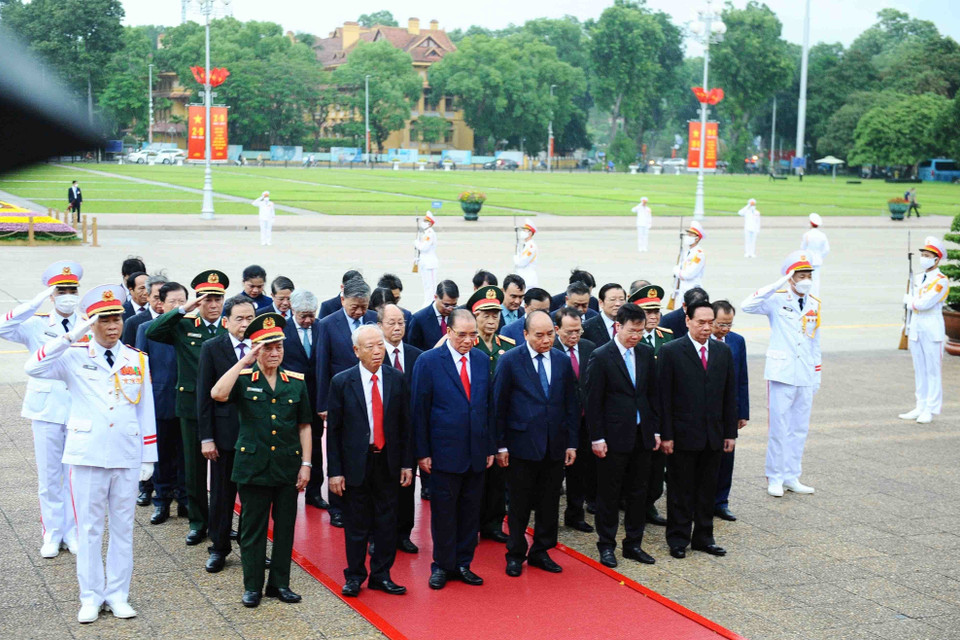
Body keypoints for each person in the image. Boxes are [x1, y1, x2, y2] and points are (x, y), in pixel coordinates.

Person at [26, 284, 157, 624]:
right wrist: (71, 336)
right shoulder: (73, 355)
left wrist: (148, 455)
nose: (113, 327)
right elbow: (33, 367)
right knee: (88, 530)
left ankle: (118, 594)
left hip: (126, 454)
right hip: (86, 455)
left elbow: (145, 410)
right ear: (91, 322)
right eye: (104, 320)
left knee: (123, 530)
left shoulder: (136, 358)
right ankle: (90, 596)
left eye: (117, 320)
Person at [210, 313, 313, 608]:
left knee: (285, 528)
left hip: (286, 465)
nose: (275, 353)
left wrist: (306, 464)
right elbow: (217, 393)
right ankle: (253, 585)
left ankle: (279, 584)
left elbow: (304, 426)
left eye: (279, 347)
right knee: (252, 529)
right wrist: (244, 362)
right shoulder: (244, 379)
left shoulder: (295, 382)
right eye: (268, 347)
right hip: (253, 467)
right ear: (256, 350)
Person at [0, 260, 83, 559]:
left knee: (74, 475)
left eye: (72, 290)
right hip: (46, 407)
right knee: (49, 476)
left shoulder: (87, 322)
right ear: (51, 294)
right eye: (61, 290)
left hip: (79, 408)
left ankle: (72, 531)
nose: (67, 296)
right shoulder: (36, 323)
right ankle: (52, 531)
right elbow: (3, 327)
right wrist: (33, 303)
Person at [327, 325, 413, 598]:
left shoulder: (396, 379)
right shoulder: (342, 382)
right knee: (356, 524)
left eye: (380, 345)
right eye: (370, 347)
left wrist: (407, 464)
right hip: (356, 463)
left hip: (388, 461)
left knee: (387, 522)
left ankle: (381, 575)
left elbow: (405, 426)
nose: (377, 351)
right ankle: (354, 576)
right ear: (356, 351)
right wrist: (335, 472)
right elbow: (334, 432)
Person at [412, 308, 495, 590]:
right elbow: (419, 410)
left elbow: (488, 407)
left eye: (473, 335)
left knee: (471, 512)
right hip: (443, 452)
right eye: (462, 335)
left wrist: (490, 446)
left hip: (476, 451)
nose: (468, 341)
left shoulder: (481, 360)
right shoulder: (429, 361)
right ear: (448, 332)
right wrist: (422, 452)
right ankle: (442, 565)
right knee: (444, 513)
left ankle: (463, 563)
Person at [146, 270, 230, 546]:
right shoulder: (184, 325)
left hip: (223, 407)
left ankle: (221, 522)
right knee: (194, 470)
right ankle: (198, 522)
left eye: (218, 299)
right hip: (192, 406)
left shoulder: (228, 327)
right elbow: (153, 331)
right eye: (207, 299)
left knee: (224, 471)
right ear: (198, 301)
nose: (213, 305)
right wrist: (183, 309)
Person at [494, 310, 578, 577]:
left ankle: (541, 550)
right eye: (539, 335)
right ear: (525, 334)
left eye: (550, 334)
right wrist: (500, 445)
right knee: (519, 505)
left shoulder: (561, 360)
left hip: (554, 444)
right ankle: (515, 553)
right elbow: (499, 405)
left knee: (549, 503)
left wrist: (571, 443)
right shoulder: (510, 360)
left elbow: (571, 403)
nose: (546, 340)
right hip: (521, 445)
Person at [658, 300, 737, 559]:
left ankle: (704, 537)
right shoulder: (671, 351)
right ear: (687, 321)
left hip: (713, 435)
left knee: (707, 489)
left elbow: (729, 395)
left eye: (710, 323)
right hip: (682, 435)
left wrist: (730, 433)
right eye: (700, 322)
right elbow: (664, 398)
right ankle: (678, 538)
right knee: (680, 490)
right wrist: (666, 435)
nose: (706, 328)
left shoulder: (722, 351)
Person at [584, 303, 660, 567]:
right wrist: (597, 438)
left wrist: (655, 430)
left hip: (641, 435)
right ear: (618, 326)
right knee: (609, 494)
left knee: (639, 492)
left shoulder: (646, 353)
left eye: (640, 331)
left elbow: (652, 395)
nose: (636, 336)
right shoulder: (601, 356)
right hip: (613, 437)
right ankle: (606, 545)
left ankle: (633, 544)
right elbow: (593, 401)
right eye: (631, 331)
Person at [742, 250, 821, 497]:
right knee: (779, 429)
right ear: (791, 277)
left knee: (799, 428)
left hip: (805, 372)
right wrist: (778, 283)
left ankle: (791, 476)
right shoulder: (776, 299)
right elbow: (747, 305)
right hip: (781, 372)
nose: (806, 279)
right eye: (801, 275)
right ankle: (775, 476)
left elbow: (815, 341)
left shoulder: (815, 304)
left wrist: (817, 374)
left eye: (809, 275)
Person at [197, 295, 256, 573]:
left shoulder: (263, 345)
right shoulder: (212, 347)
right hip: (224, 434)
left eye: (250, 318)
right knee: (222, 496)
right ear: (226, 321)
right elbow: (203, 395)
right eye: (239, 319)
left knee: (253, 498)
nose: (245, 324)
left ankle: (251, 549)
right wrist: (206, 437)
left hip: (256, 434)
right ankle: (219, 548)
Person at [315, 278, 377, 527]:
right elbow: (322, 364)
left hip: (370, 396)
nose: (360, 311)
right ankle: (337, 507)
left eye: (364, 306)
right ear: (343, 300)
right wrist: (322, 403)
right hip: (340, 397)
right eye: (354, 307)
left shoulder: (374, 320)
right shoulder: (328, 324)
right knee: (338, 449)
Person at [136, 282, 189, 526]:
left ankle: (186, 500)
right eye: (173, 302)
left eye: (182, 301)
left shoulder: (191, 327)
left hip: (187, 402)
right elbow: (140, 365)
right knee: (162, 455)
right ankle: (162, 501)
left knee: (186, 456)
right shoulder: (147, 328)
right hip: (160, 400)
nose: (178, 306)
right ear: (161, 304)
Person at [466, 286, 516, 543]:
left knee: (498, 476)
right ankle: (471, 524)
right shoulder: (469, 346)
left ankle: (493, 523)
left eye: (495, 315)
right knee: (476, 476)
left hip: (501, 420)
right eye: (485, 315)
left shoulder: (508, 346)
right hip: (476, 420)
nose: (491, 320)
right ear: (475, 317)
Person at [377, 303, 423, 553]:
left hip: (409, 432)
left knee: (407, 484)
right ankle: (378, 536)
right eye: (391, 323)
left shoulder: (417, 356)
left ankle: (404, 533)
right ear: (380, 325)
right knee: (381, 487)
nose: (397, 327)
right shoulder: (374, 354)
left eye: (401, 323)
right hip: (381, 433)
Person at [627, 285, 672, 526]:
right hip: (637, 413)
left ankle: (649, 503)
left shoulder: (668, 337)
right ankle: (631, 504)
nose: (653, 316)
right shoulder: (630, 340)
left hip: (661, 411)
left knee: (657, 467)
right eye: (648, 312)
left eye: (656, 311)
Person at [282, 290, 327, 510]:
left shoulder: (322, 328)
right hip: (289, 398)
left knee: (315, 445)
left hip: (315, 398)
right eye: (303, 316)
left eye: (312, 315)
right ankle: (287, 490)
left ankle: (314, 492)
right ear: (293, 310)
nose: (308, 320)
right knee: (288, 445)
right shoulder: (282, 329)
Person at [554, 306, 597, 532]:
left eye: (578, 331)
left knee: (579, 470)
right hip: (557, 422)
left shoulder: (589, 348)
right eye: (569, 331)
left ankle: (575, 513)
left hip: (583, 421)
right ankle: (548, 517)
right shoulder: (550, 349)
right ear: (557, 329)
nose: (574, 336)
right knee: (553, 472)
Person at [899, 237, 949, 425]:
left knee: (932, 370)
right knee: (919, 369)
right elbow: (915, 306)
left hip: (931, 327)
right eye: (923, 255)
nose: (923, 258)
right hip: (916, 326)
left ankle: (931, 408)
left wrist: (909, 301)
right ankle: (920, 406)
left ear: (936, 259)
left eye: (927, 256)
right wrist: (907, 324)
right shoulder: (918, 278)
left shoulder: (941, 281)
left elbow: (924, 304)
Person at [710, 301, 749, 522]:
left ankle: (721, 501)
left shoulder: (737, 341)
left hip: (729, 410)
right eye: (721, 324)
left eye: (729, 324)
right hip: (705, 410)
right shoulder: (701, 340)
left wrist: (742, 412)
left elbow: (742, 378)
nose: (725, 329)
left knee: (727, 456)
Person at [408, 280, 459, 352]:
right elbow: (413, 350)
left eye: (453, 305)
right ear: (435, 297)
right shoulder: (419, 319)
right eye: (446, 305)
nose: (450, 309)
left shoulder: (458, 315)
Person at [122, 273, 168, 348]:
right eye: (156, 298)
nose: (160, 301)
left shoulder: (176, 319)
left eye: (163, 297)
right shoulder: (132, 322)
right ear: (148, 297)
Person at [672, 221, 706, 302]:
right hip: (683, 288)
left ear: (697, 239)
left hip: (693, 289)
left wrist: (676, 270)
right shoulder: (686, 252)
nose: (687, 237)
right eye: (688, 234)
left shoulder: (699, 254)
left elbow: (688, 274)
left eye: (690, 235)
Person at [801, 213, 829, 296]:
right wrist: (820, 256)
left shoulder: (807, 234)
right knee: (816, 280)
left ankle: (807, 296)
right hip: (817, 260)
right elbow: (826, 249)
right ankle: (815, 297)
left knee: (806, 279)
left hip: (808, 260)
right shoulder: (822, 235)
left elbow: (803, 248)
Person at [415, 212, 440, 306]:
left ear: (430, 223)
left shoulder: (430, 233)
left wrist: (417, 243)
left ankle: (431, 304)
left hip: (430, 264)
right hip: (424, 263)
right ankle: (426, 303)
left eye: (425, 221)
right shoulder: (425, 233)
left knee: (431, 287)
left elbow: (424, 247)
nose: (423, 222)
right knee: (426, 285)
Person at [513, 219, 539, 288]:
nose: (522, 232)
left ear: (530, 233)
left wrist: (516, 257)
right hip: (523, 278)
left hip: (528, 280)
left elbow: (521, 263)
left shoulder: (531, 247)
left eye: (525, 230)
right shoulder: (525, 245)